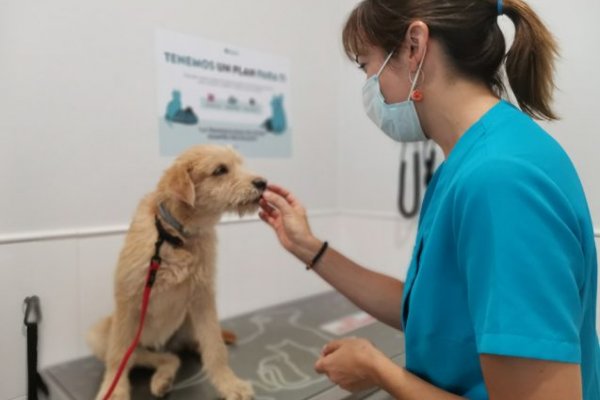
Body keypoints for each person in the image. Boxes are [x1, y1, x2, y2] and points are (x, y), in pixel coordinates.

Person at [258, 0, 600, 398]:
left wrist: (378, 369)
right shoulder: (469, 162)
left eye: (365, 65)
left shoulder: (500, 180)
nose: (370, 85)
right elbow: (433, 314)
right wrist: (308, 247)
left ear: (414, 47)